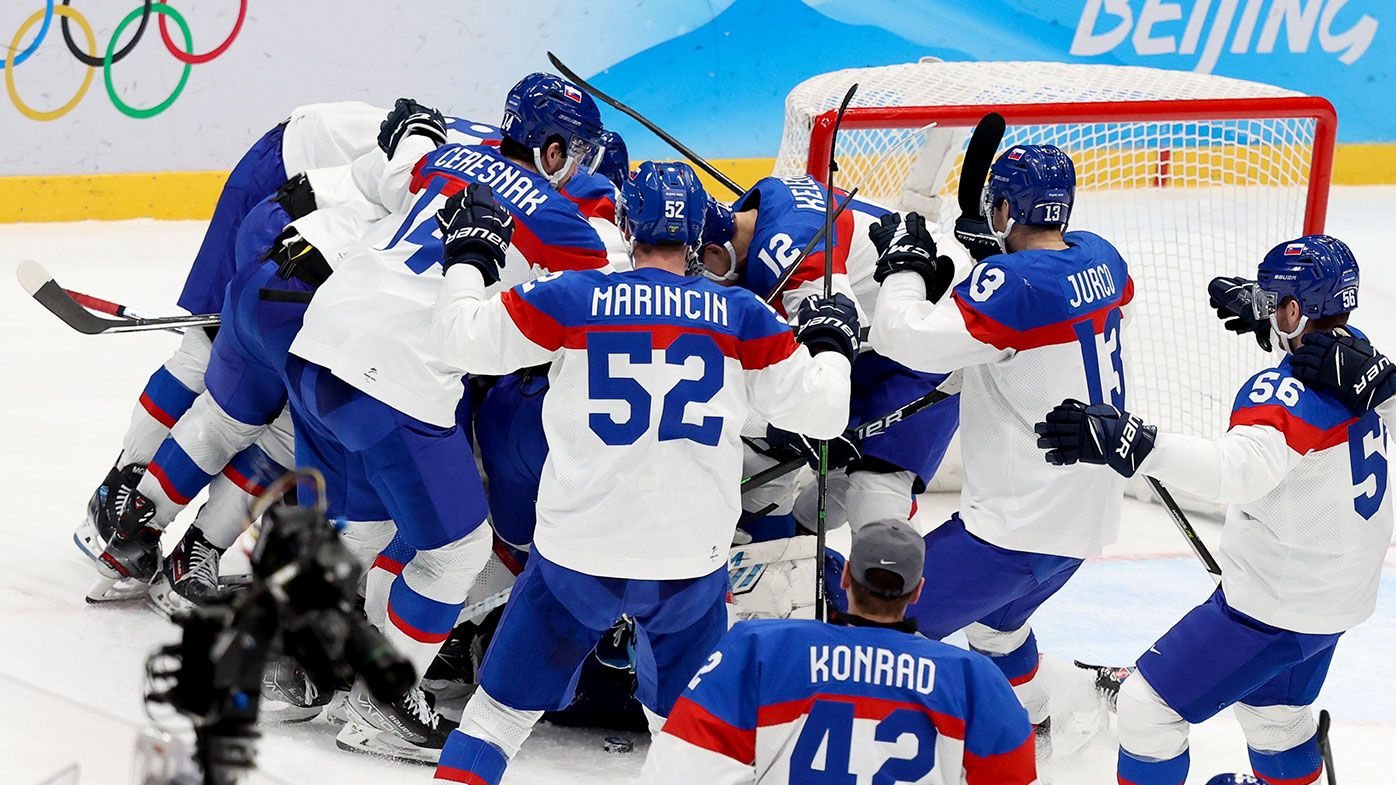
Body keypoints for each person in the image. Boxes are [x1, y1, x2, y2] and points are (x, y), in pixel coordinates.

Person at [425, 161, 857, 785]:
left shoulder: (576, 295)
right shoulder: (742, 315)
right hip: (689, 561)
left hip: (577, 554)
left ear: (628, 225)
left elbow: (459, 339)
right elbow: (825, 412)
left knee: (493, 722)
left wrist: (468, 256)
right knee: (685, 740)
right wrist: (832, 346)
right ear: (696, 235)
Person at [282, 73, 612, 763]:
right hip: (395, 376)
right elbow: (616, 288)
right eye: (575, 152)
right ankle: (384, 701)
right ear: (552, 151)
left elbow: (386, 177)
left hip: (316, 350)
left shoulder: (446, 157)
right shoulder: (557, 219)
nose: (577, 165)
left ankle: (318, 655)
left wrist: (418, 135)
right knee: (458, 548)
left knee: (396, 529)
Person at [81, 100, 503, 605]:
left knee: (237, 408)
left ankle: (138, 526)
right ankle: (158, 524)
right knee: (264, 409)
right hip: (300, 248)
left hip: (291, 239)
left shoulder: (458, 160)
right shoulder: (488, 194)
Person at [1035, 234, 1390, 785]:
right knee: (1275, 717)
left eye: (1276, 302)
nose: (1267, 310)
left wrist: (1133, 442)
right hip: (1340, 597)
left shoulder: (1283, 393)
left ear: (1294, 310)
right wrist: (1274, 309)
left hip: (1272, 606)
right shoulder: (1367, 368)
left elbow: (1235, 472)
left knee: (1145, 711)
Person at [868, 144, 1133, 747]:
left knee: (872, 629)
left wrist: (904, 265)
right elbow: (1052, 302)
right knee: (997, 628)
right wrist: (996, 257)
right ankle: (1033, 724)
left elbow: (899, 337)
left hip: (1018, 528)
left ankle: (858, 749)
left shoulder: (1012, 287)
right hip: (1089, 517)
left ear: (1006, 207)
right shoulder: (1103, 256)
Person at [643, 519, 1037, 784]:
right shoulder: (975, 679)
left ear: (846, 575)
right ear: (918, 591)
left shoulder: (759, 648)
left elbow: (679, 771)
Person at [696, 175, 966, 544]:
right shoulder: (752, 208)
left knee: (875, 491)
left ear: (713, 254)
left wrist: (789, 425)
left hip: (931, 338)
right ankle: (791, 561)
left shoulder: (795, 259)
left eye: (692, 274)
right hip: (879, 331)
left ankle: (891, 597)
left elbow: (836, 330)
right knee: (775, 463)